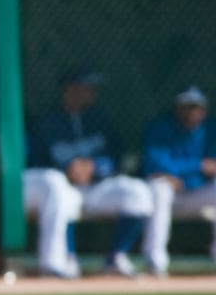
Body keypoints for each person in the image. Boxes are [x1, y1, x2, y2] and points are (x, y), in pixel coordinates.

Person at [27, 69, 156, 278]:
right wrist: (66, 170)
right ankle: (66, 258)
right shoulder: (47, 123)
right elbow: (36, 162)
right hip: (65, 187)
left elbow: (117, 157)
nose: (88, 93)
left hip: (98, 187)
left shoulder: (101, 119)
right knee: (58, 193)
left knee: (138, 192)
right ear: (68, 90)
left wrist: (94, 166)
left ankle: (117, 256)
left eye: (89, 89)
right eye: (83, 88)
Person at [140, 86, 214, 279]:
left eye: (195, 107)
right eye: (186, 107)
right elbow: (155, 163)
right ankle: (155, 261)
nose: (191, 112)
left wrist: (188, 173)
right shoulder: (161, 127)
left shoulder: (210, 129)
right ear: (177, 107)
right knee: (160, 188)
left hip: (198, 192)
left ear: (204, 109)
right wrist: (197, 166)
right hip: (169, 192)